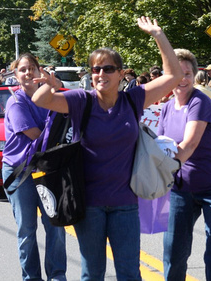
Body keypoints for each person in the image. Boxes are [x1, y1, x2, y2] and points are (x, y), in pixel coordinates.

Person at [32, 16, 182, 281]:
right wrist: (48, 83)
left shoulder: (133, 100)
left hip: (125, 204)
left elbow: (173, 76)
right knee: (92, 273)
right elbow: (41, 100)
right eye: (96, 69)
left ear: (122, 74)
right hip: (89, 204)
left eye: (108, 68)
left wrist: (158, 34)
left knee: (129, 273)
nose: (101, 74)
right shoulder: (82, 100)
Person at [158, 48, 211, 281]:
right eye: (176, 73)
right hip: (181, 188)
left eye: (188, 74)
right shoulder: (167, 107)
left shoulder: (200, 102)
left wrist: (162, 167)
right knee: (173, 250)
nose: (183, 79)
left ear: (194, 76)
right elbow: (161, 147)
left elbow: (189, 145)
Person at [2, 53, 67, 281]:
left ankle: (57, 275)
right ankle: (31, 278)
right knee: (27, 230)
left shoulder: (51, 96)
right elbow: (36, 136)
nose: (28, 72)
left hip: (46, 168)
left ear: (39, 71)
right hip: (20, 171)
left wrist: (53, 83)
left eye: (32, 68)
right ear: (16, 75)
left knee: (55, 225)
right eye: (22, 69)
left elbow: (69, 100)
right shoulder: (16, 102)